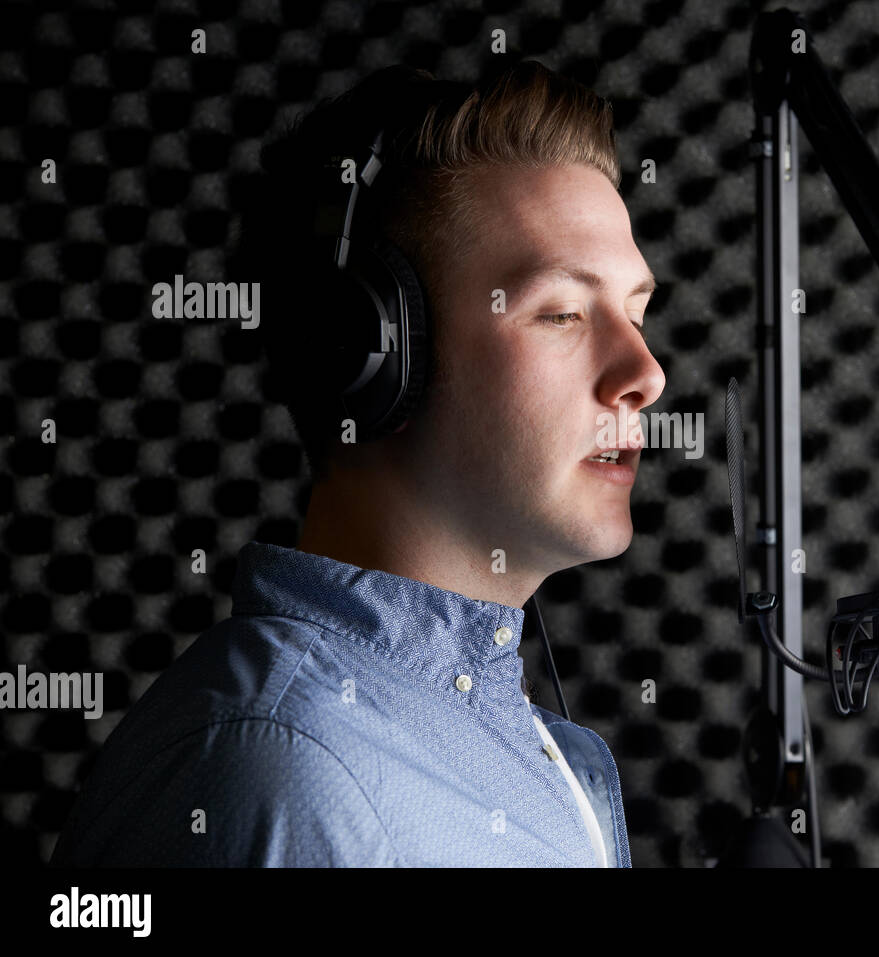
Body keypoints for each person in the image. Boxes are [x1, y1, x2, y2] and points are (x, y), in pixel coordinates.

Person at [50, 60, 665, 867]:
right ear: (371, 353)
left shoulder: (495, 741)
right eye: (561, 312)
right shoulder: (284, 770)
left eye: (636, 312)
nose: (646, 374)